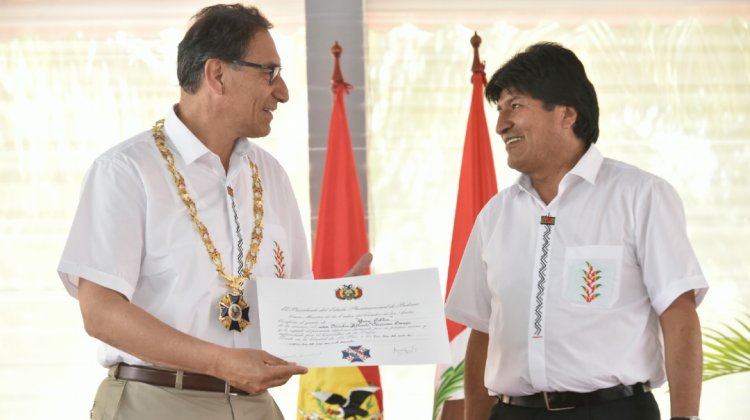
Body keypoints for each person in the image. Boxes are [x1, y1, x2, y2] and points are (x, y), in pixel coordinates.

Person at [57, 4, 369, 419]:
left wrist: (330, 307)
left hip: (256, 406)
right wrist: (219, 362)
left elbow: (290, 302)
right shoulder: (126, 171)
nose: (283, 91)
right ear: (217, 75)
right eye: (269, 73)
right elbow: (100, 313)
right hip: (157, 402)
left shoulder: (271, 175)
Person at [445, 42, 707, 420]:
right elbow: (481, 333)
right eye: (499, 110)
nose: (501, 125)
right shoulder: (494, 215)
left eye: (515, 106)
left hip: (615, 411)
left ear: (566, 114)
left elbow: (678, 313)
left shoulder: (641, 196)